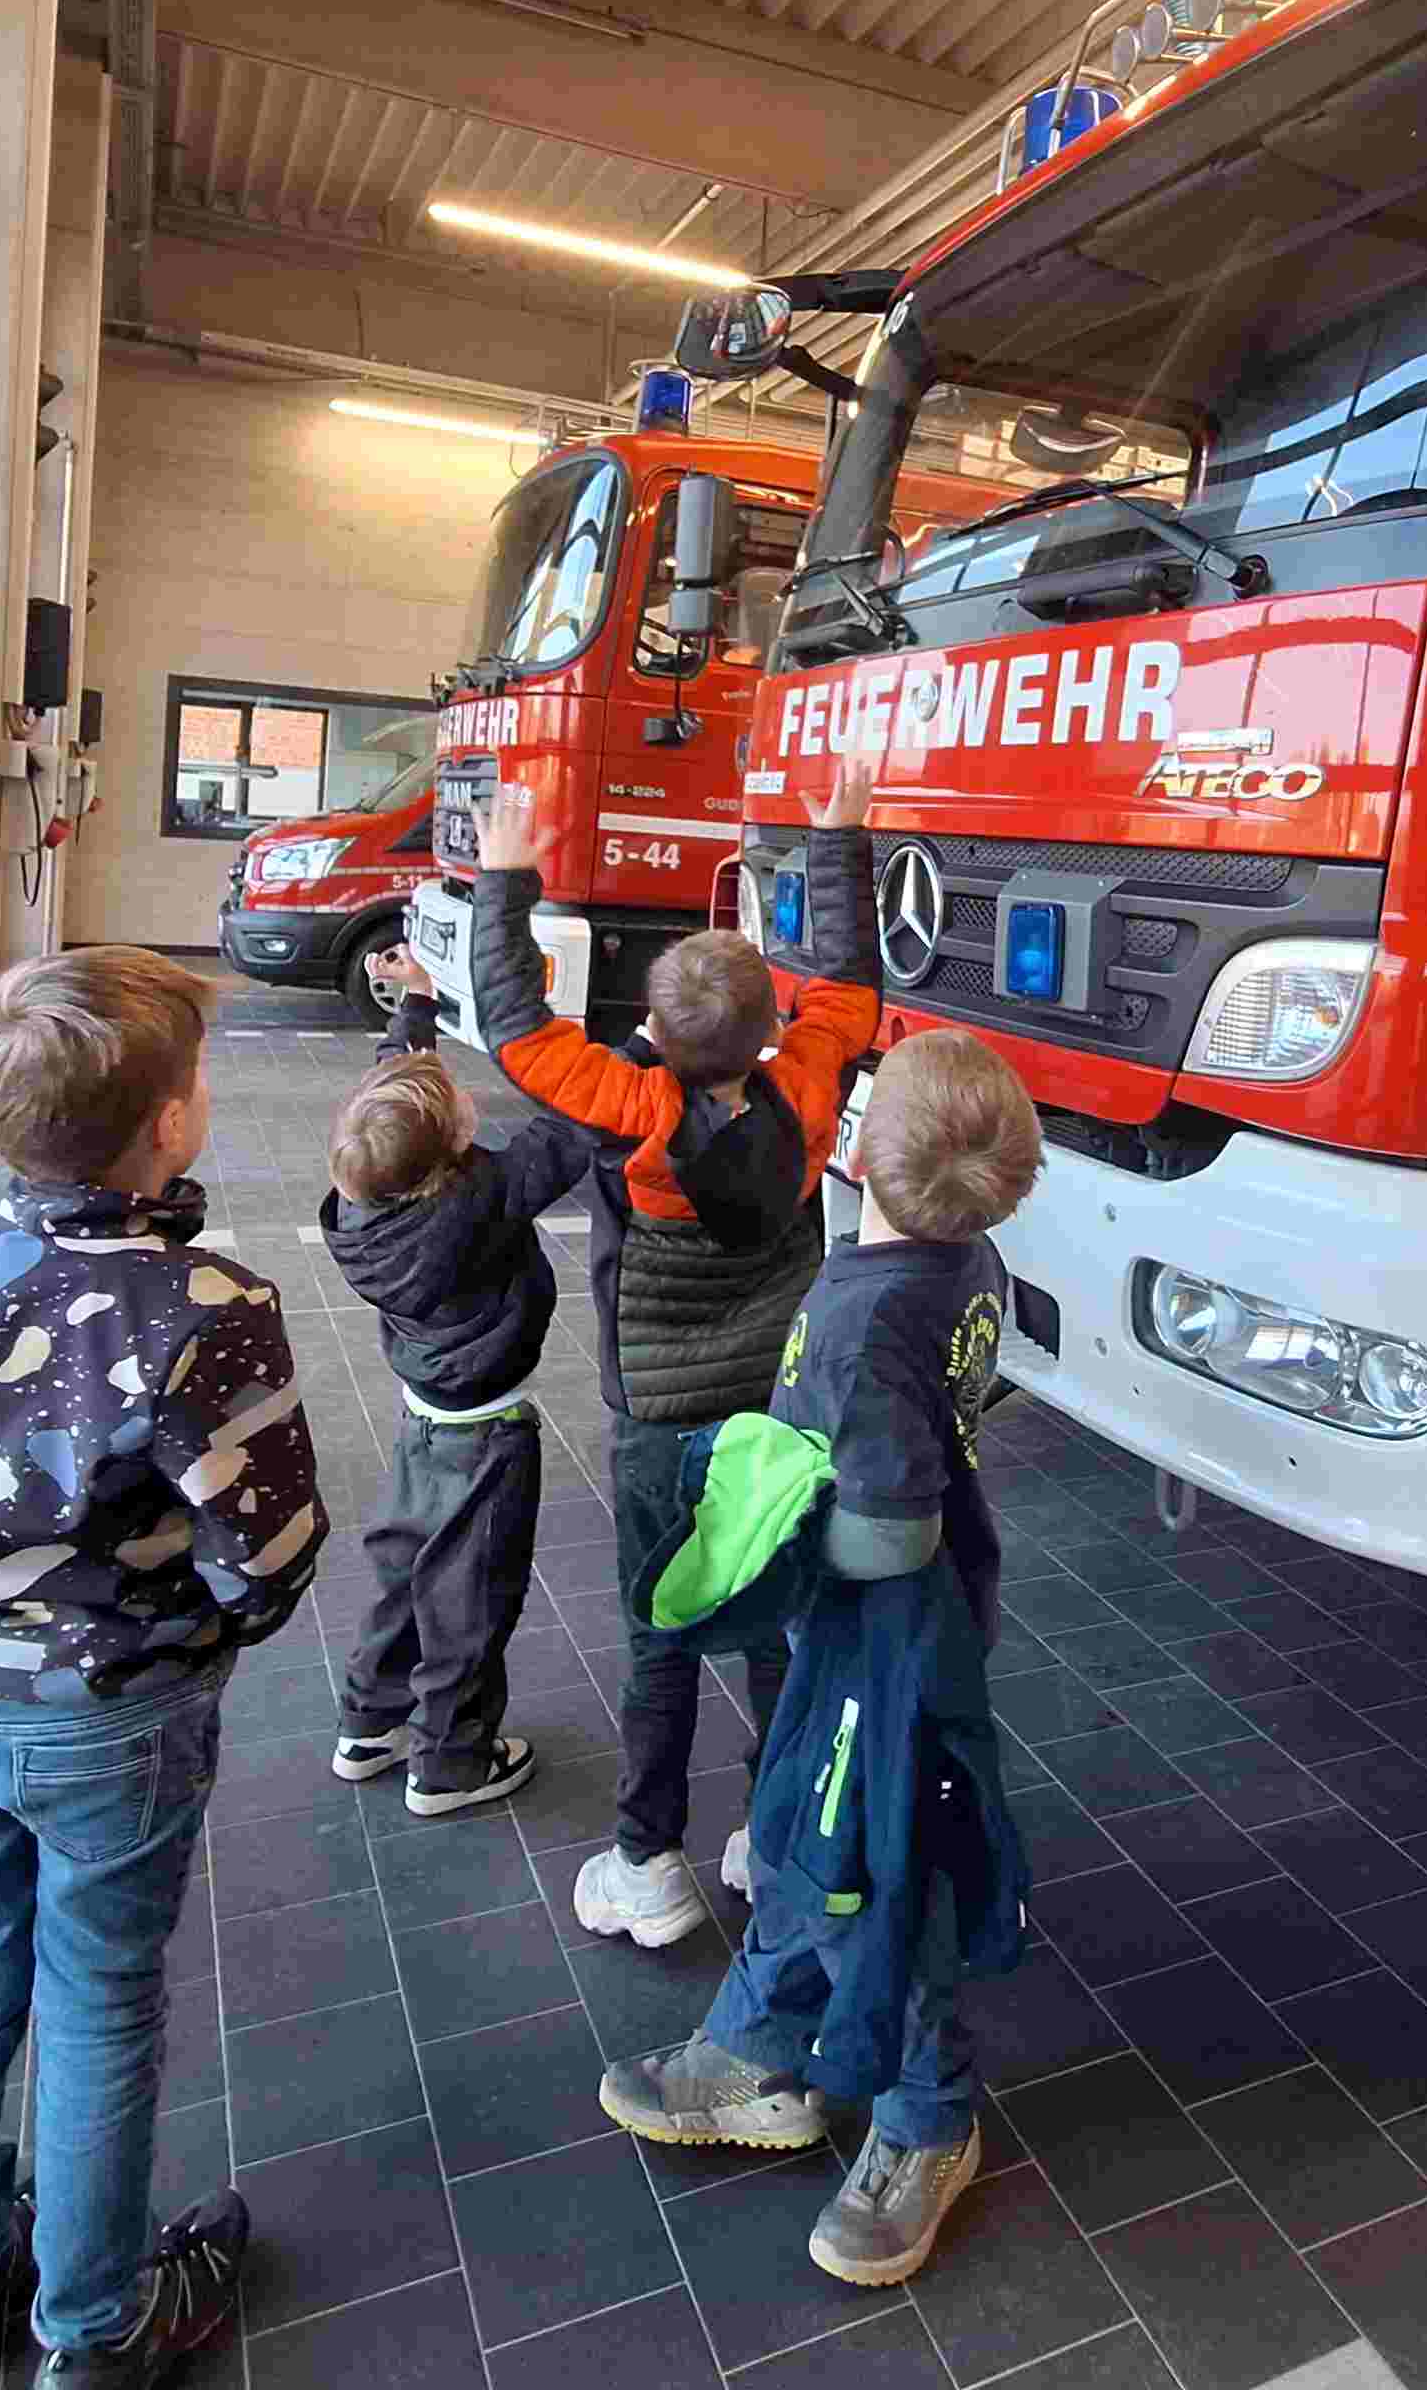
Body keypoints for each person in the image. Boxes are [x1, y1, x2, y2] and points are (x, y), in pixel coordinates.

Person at [0, 948, 329, 2390]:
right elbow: (267, 1554)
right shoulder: (204, 1302)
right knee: (99, 2003)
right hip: (113, 1718)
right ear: (171, 1123)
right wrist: (206, 1627)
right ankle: (95, 2325)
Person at [599, 1026, 1043, 2289]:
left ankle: (927, 2119)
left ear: (853, 1149)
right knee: (805, 1832)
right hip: (905, 1632)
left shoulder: (859, 1315)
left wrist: (772, 1518)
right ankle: (763, 2046)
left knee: (881, 1868)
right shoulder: (966, 1261)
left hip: (879, 1644)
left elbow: (888, 1531)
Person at [459, 755, 880, 1949]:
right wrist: (838, 837)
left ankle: (647, 1863)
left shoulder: (629, 1106)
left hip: (656, 1410)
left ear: (650, 1030)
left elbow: (515, 1027)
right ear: (770, 1028)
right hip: (778, 1406)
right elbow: (850, 979)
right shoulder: (808, 1085)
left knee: (661, 1633)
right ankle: (769, 1836)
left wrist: (505, 878)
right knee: (774, 1613)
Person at [319, 957, 595, 1814]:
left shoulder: (367, 1200)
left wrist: (417, 1001)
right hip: (488, 1434)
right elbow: (568, 1132)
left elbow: (390, 1090)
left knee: (405, 1572)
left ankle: (369, 1722)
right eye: (458, 1105)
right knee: (471, 1600)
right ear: (450, 1149)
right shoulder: (484, 1199)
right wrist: (644, 1047)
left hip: (424, 1418)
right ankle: (450, 1762)